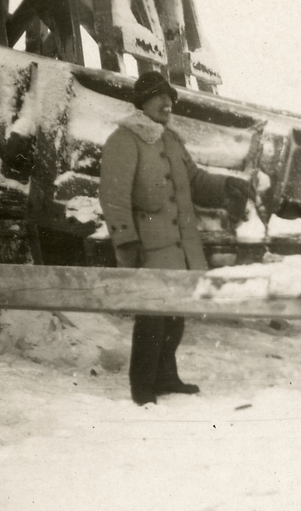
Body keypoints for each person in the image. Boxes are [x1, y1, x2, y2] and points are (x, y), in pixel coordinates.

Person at [99, 71, 254, 405]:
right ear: (143, 102)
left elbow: (195, 181)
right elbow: (113, 196)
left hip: (181, 247)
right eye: (159, 97)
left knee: (174, 318)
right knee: (152, 319)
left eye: (170, 97)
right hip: (150, 248)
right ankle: (142, 386)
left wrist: (227, 185)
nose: (167, 103)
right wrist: (125, 240)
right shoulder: (123, 140)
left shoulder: (172, 140)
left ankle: (166, 377)